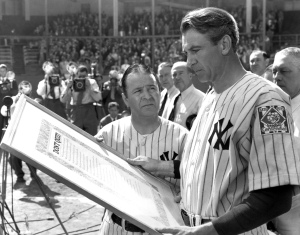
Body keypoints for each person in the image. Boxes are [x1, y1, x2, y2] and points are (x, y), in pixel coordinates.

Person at [129, 7, 300, 235]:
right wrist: (161, 166)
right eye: (187, 53)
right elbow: (213, 164)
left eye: (196, 50)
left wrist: (207, 231)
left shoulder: (266, 99)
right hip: (194, 226)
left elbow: (275, 197)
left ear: (224, 45)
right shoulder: (211, 94)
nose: (189, 62)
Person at [95, 64, 189, 235]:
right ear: (125, 98)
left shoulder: (182, 136)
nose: (147, 96)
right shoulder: (107, 134)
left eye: (152, 88)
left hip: (164, 230)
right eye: (138, 91)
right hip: (117, 229)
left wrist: (189, 191)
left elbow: (200, 177)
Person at [272, 47, 300, 235]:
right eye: (274, 71)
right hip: (272, 209)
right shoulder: (273, 109)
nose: (276, 77)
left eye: (284, 71)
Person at [1, 81, 37, 183]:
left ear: (30, 90)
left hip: (28, 133)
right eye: (22, 88)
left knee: (31, 157)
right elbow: (3, 112)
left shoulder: (34, 101)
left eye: (27, 88)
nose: (24, 90)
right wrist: (15, 100)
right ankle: (19, 175)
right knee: (13, 158)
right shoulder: (13, 99)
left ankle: (33, 175)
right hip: (15, 134)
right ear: (19, 89)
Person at [60, 64, 102, 136]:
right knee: (75, 135)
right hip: (76, 111)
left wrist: (89, 87)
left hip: (89, 110)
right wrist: (67, 87)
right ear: (76, 75)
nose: (82, 79)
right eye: (80, 77)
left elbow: (98, 98)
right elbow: (63, 100)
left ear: (87, 75)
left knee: (92, 136)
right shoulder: (72, 82)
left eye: (84, 77)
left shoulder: (92, 82)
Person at [169, 61, 204, 130]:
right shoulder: (174, 98)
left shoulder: (201, 99)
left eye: (181, 73)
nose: (177, 77)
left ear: (190, 75)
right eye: (174, 74)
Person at [0, 64, 18, 139]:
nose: (2, 72)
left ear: (7, 71)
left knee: (10, 124)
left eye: (4, 71)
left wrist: (10, 87)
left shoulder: (12, 81)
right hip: (0, 104)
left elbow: (15, 92)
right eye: (1, 71)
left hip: (10, 105)